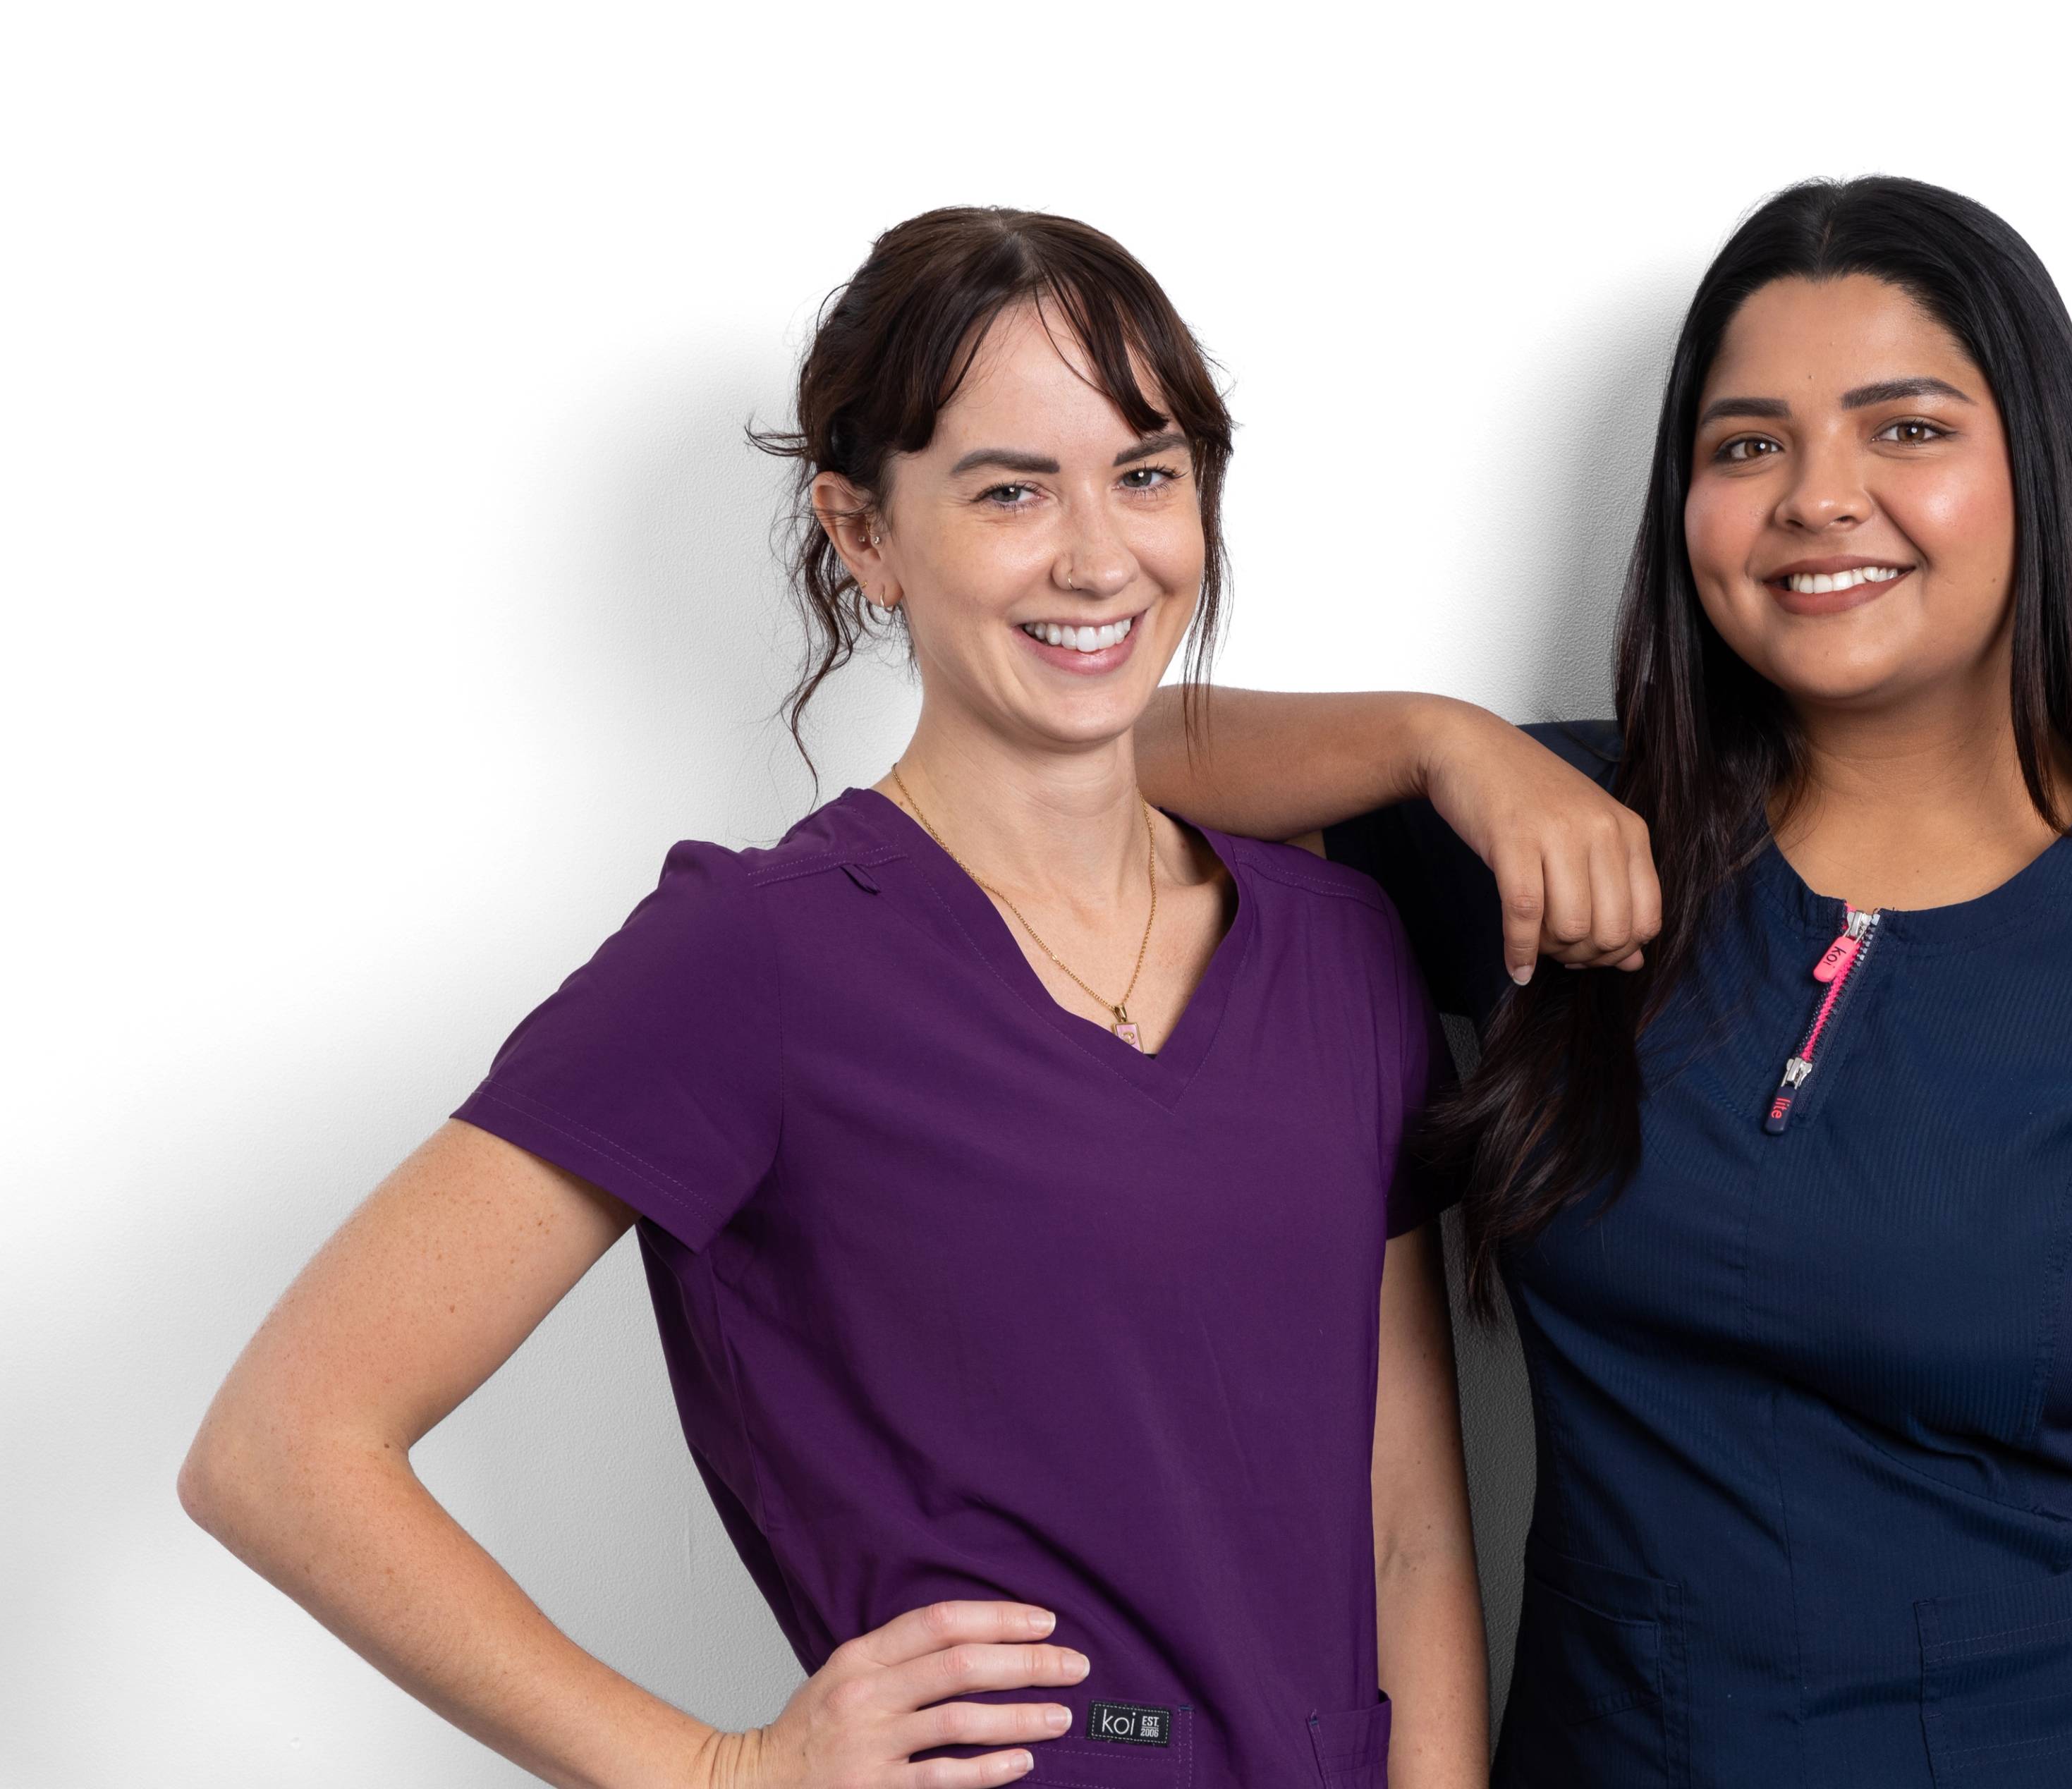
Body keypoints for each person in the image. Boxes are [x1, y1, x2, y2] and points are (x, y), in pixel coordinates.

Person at [1136, 176, 2072, 1787]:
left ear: (2039, 471)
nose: (1820, 497)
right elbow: (1106, 753)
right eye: (1747, 444)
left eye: (1905, 430)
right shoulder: (1567, 844)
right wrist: (1441, 739)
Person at [178, 208, 1487, 1789]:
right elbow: (281, 1448)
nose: (1098, 552)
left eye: (1146, 472)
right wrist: (720, 1772)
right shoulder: (759, 960)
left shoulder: (1340, 948)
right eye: (1010, 489)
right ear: (862, 535)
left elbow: (1407, 1525)